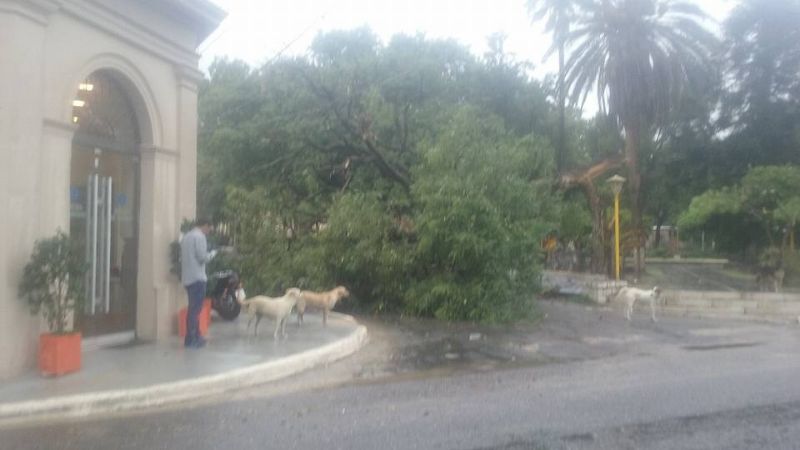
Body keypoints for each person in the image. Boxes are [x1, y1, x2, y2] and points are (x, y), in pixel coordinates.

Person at [180, 218, 217, 348]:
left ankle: (194, 337)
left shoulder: (186, 237)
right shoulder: (199, 237)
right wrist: (212, 254)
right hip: (198, 278)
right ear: (205, 225)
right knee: (195, 310)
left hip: (187, 278)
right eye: (209, 229)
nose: (208, 232)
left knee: (192, 308)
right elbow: (202, 257)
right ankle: (192, 339)